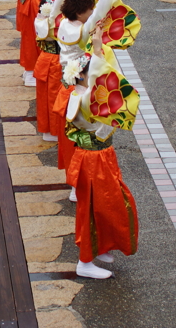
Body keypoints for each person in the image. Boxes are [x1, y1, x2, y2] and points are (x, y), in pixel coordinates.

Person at [64, 24, 140, 280]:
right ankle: (84, 261)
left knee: (104, 204)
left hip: (98, 157)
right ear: (83, 76)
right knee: (96, 207)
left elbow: (100, 72)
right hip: (93, 160)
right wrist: (97, 47)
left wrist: (97, 46)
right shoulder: (84, 100)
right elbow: (101, 71)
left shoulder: (79, 93)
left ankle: (101, 245)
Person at [48, 0, 125, 184]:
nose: (92, 12)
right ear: (80, 12)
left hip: (67, 84)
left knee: (72, 134)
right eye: (88, 9)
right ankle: (80, 182)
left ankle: (74, 179)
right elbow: (100, 12)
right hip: (83, 85)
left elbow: (56, 8)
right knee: (89, 134)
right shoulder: (81, 32)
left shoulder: (63, 23)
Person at [33, 0, 65, 141]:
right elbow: (52, 18)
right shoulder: (45, 23)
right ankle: (51, 129)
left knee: (48, 97)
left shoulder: (43, 20)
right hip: (53, 62)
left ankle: (49, 129)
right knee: (51, 97)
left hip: (47, 61)